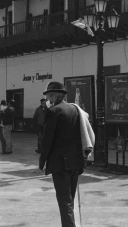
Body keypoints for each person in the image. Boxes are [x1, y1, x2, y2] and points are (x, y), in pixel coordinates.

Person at [39, 81, 88, 227]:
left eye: (48, 96)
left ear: (54, 96)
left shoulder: (53, 111)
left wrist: (42, 161)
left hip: (60, 163)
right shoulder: (75, 110)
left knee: (64, 201)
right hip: (75, 161)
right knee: (69, 200)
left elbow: (47, 140)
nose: (47, 100)